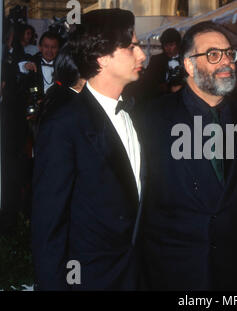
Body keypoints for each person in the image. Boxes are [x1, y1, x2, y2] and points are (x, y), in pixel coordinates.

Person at [31, 8, 146, 290]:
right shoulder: (65, 123)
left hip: (138, 275)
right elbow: (48, 224)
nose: (142, 55)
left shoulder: (140, 117)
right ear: (102, 57)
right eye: (131, 46)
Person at [138, 21, 237, 290]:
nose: (226, 62)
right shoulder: (151, 119)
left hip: (233, 271)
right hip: (172, 270)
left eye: (229, 54)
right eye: (214, 55)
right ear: (189, 65)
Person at [141, 27, 184, 99]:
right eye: (165, 45)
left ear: (178, 44)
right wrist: (169, 88)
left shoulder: (186, 59)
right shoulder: (156, 60)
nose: (168, 49)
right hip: (161, 98)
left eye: (171, 45)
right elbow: (147, 82)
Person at [18, 31, 61, 99]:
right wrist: (25, 66)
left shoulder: (62, 65)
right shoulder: (33, 61)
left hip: (56, 102)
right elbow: (18, 67)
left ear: (58, 49)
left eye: (53, 47)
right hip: (36, 100)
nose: (49, 50)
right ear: (40, 47)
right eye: (46, 46)